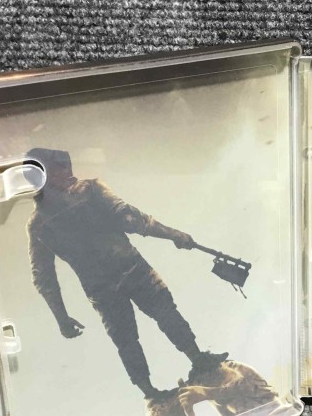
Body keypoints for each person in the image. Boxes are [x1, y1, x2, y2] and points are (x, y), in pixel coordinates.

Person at [25, 147, 227, 401]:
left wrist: (62, 318)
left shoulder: (38, 224)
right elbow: (130, 219)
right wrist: (173, 234)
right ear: (44, 177)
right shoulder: (90, 190)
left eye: (66, 165)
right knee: (158, 316)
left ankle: (155, 390)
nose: (68, 170)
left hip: (102, 287)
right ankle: (190, 365)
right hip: (130, 270)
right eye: (59, 168)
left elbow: (43, 278)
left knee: (128, 337)